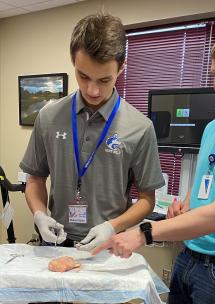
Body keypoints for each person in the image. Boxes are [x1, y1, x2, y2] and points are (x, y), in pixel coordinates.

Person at [93, 24, 215, 304]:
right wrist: (186, 204)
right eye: (214, 76)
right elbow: (206, 181)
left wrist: (144, 233)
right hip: (189, 258)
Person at [20, 12, 165, 250]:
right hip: (55, 244)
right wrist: (39, 214)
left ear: (121, 68)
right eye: (83, 76)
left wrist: (113, 226)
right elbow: (35, 178)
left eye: (104, 80)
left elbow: (148, 200)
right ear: (72, 60)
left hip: (109, 247)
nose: (93, 90)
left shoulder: (140, 127)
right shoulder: (48, 117)